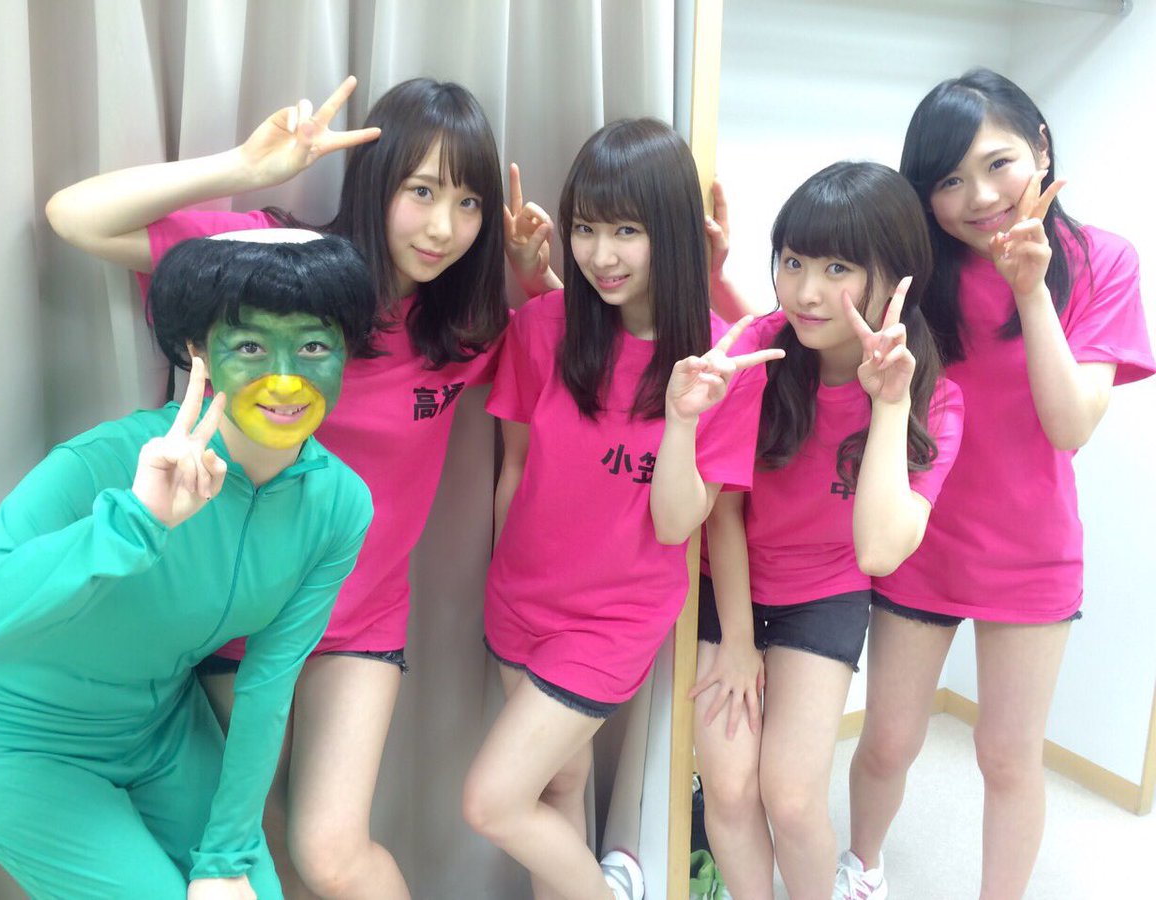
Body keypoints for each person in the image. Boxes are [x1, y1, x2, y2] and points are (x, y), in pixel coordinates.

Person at [46, 76, 508, 899]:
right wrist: (243, 166)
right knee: (253, 845)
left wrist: (540, 280)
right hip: (239, 607)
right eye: (422, 191)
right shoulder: (277, 265)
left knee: (330, 853)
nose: (444, 227)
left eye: (469, 203)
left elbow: (579, 378)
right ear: (377, 183)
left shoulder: (464, 329)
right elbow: (76, 216)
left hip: (359, 619)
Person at [0, 232, 376, 900]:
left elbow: (268, 685)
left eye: (314, 346)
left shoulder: (339, 504)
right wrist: (130, 524)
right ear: (198, 352)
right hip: (18, 738)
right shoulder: (102, 461)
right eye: (249, 347)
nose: (285, 377)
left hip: (161, 736)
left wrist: (227, 857)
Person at [835, 69, 1155, 900]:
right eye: (948, 180)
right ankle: (861, 869)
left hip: (1031, 552)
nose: (978, 198)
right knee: (889, 741)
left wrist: (1030, 291)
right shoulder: (918, 272)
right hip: (920, 534)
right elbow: (822, 337)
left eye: (998, 164)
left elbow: (1070, 425)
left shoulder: (1103, 261)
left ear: (1041, 148)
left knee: (1008, 757)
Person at [461, 117, 780, 900]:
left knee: (491, 802)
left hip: (612, 622)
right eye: (586, 229)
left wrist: (680, 419)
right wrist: (502, 577)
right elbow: (515, 466)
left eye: (626, 231)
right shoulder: (543, 328)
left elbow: (678, 525)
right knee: (557, 788)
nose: (601, 254)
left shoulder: (724, 365)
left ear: (669, 233)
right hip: (518, 601)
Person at [658, 162, 963, 900]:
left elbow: (879, 550)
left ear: (898, 277)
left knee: (792, 799)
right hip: (726, 585)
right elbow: (723, 510)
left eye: (837, 269)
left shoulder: (935, 400)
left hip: (823, 594)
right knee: (729, 788)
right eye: (793, 262)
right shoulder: (762, 352)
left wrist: (888, 406)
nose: (805, 291)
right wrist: (737, 642)